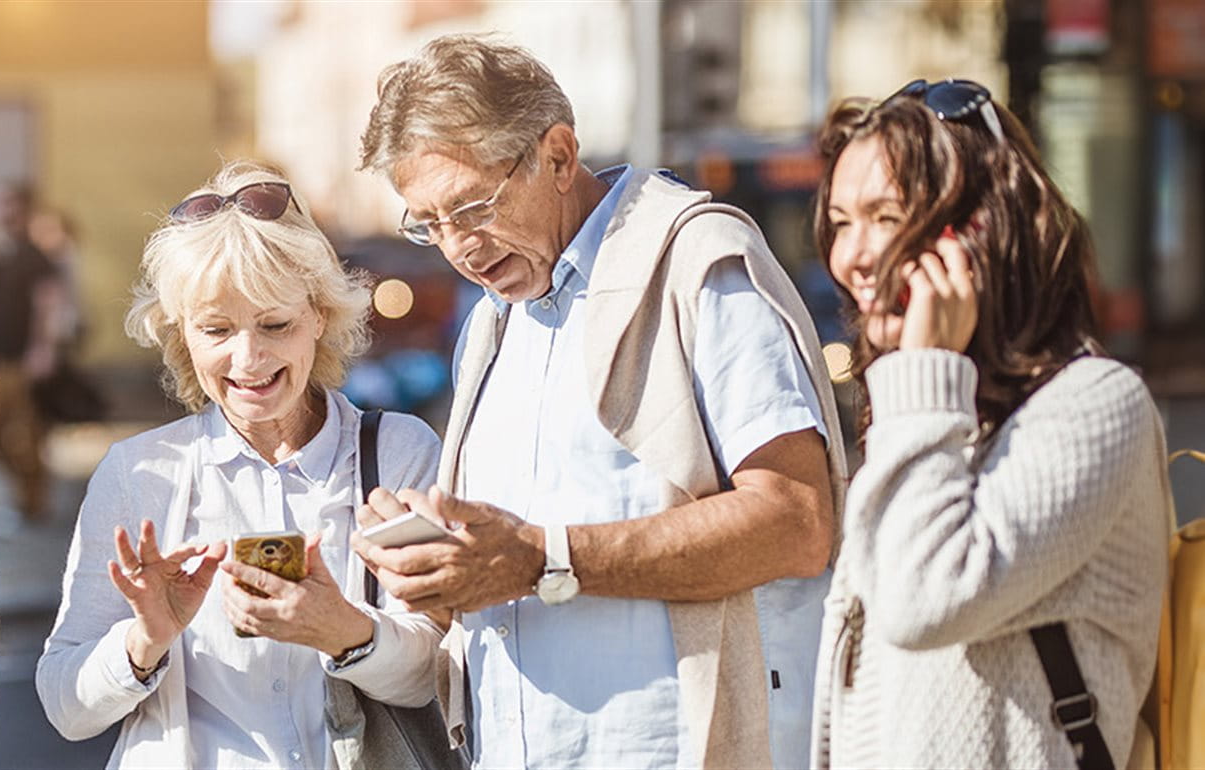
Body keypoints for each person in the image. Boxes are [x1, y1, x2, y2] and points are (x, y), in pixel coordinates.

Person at [350, 34, 846, 767]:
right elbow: (519, 544)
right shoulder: (493, 321)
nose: (457, 245)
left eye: (472, 206)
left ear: (556, 154)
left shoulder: (695, 264)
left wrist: (543, 559)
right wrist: (442, 563)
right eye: (427, 223)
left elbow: (797, 522)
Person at [37, 162, 452, 768]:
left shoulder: (398, 453)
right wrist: (145, 639)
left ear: (320, 316)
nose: (248, 357)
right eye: (217, 329)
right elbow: (65, 708)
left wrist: (344, 631)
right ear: (183, 336)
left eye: (275, 324)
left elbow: (438, 675)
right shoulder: (139, 472)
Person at [808, 79, 1167, 768]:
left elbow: (922, 602)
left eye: (886, 217)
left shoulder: (1094, 404)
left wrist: (926, 368)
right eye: (842, 220)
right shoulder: (933, 416)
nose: (851, 258)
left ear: (981, 227)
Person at [0, 182, 61, 521]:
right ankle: (29, 497)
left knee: (21, 432)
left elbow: (48, 305)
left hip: (20, 361)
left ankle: (34, 502)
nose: (4, 213)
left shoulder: (35, 256)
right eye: (1, 206)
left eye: (11, 207)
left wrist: (43, 349)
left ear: (25, 212)